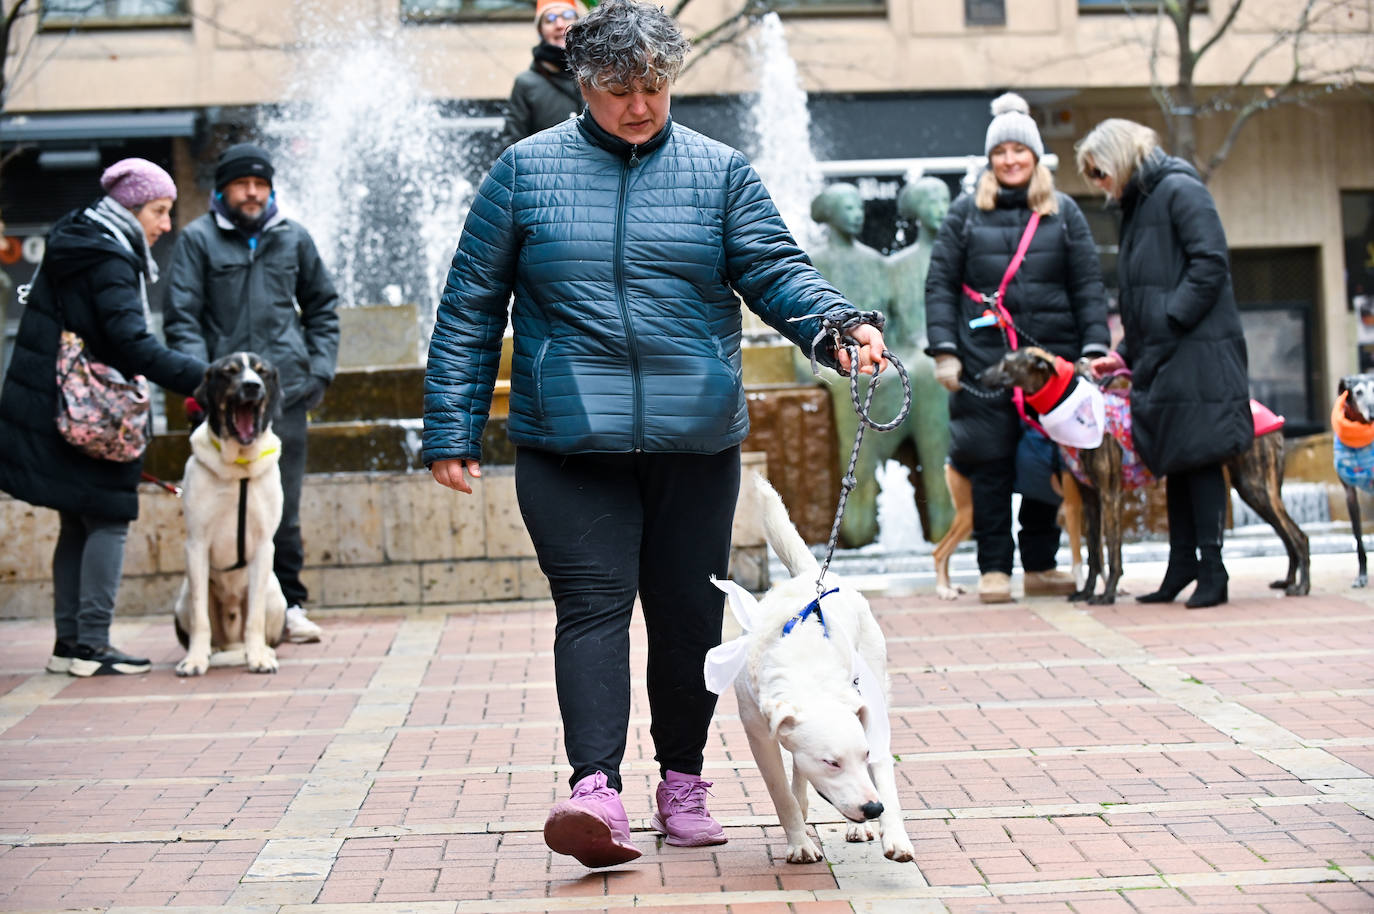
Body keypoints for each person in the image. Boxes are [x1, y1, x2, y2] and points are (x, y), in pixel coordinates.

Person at [422, 0, 889, 869]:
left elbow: (775, 271)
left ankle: (683, 780)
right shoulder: (525, 173)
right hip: (569, 440)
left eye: (655, 86)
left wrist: (834, 328)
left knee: (686, 618)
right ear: (582, 84)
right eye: (619, 90)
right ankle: (594, 790)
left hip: (692, 437)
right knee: (592, 610)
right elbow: (470, 307)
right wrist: (450, 425)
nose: (641, 105)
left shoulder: (718, 173)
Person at [0, 158, 207, 676]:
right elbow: (131, 343)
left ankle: (70, 643)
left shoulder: (79, 239)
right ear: (132, 207)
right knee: (109, 519)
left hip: (59, 404)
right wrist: (203, 380)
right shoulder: (110, 256)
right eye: (159, 212)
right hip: (95, 413)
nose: (164, 225)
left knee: (78, 520)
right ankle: (92, 644)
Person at [924, 93, 1111, 604]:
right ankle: (993, 569)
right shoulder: (964, 214)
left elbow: (1088, 287)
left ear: (1035, 155)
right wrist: (944, 349)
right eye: (1001, 151)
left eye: (1019, 150)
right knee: (988, 462)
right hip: (984, 364)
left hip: (1051, 368)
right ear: (990, 158)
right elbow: (939, 284)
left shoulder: (1064, 213)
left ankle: (1041, 565)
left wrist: (1094, 346)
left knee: (1045, 463)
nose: (1010, 159)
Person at [164, 142, 339, 643]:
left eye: (261, 184)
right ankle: (217, 615)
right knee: (214, 510)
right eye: (243, 184)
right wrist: (199, 384)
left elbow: (323, 306)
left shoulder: (293, 237)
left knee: (282, 507)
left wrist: (319, 371)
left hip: (280, 397)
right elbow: (182, 319)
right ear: (223, 189)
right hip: (218, 405)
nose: (253, 193)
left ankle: (288, 605)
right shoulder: (197, 241)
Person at [1076, 118, 1251, 608]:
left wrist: (1170, 322)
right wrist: (1125, 354)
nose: (1098, 184)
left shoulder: (1177, 190)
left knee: (1199, 459)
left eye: (1098, 172)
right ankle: (1181, 568)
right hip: (1166, 354)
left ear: (1119, 160)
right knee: (1178, 459)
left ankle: (1212, 572)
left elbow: (1210, 262)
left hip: (1196, 352)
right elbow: (1142, 298)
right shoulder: (1141, 203)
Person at [499, 0, 585, 146]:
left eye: (567, 16)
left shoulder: (599, 76)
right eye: (550, 19)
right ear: (540, 31)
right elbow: (511, 146)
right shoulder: (526, 84)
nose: (559, 25)